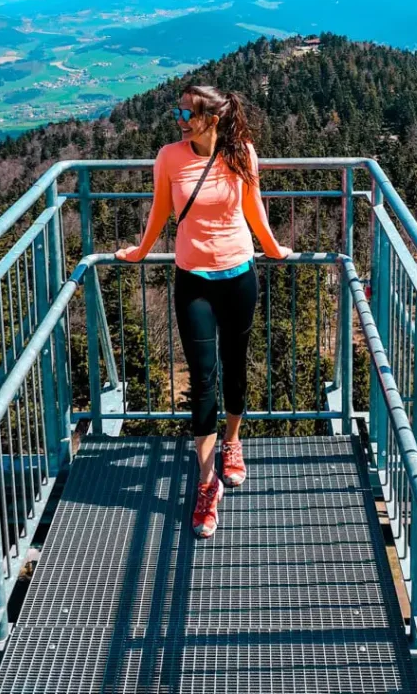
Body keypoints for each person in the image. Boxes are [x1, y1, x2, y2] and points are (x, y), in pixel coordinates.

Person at [115, 84, 292, 538]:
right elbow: (159, 212)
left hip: (239, 274)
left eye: (187, 113)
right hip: (192, 278)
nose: (179, 119)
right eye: (178, 111)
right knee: (203, 378)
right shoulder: (169, 157)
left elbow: (254, 210)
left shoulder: (242, 154)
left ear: (212, 118)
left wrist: (273, 249)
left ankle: (233, 442)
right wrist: (140, 252)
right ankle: (207, 484)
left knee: (235, 368)